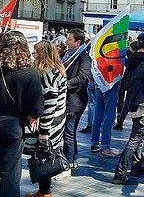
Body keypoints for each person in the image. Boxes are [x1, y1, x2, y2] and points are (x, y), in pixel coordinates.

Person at [0, 31, 44, 197]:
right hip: (13, 124)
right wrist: (30, 115)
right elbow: (36, 108)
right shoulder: (30, 72)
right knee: (10, 174)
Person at [112, 32, 144, 185]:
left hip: (132, 101)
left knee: (139, 137)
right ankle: (120, 172)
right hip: (142, 102)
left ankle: (136, 166)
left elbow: (125, 81)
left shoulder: (132, 59)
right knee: (136, 137)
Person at [24, 40, 67, 197]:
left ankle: (45, 193)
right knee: (46, 155)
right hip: (57, 121)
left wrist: (44, 131)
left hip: (49, 124)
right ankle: (44, 191)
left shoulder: (46, 73)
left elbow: (49, 104)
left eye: (36, 52)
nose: (34, 55)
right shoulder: (57, 70)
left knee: (44, 156)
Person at [57, 28, 90, 180]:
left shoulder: (84, 58)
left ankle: (67, 165)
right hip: (64, 99)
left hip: (75, 101)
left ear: (77, 42)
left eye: (69, 39)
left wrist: (65, 84)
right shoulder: (65, 54)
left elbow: (83, 77)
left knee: (68, 133)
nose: (66, 41)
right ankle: (74, 158)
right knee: (69, 132)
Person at [90, 78, 121, 157]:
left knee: (98, 115)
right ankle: (105, 147)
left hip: (99, 84)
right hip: (110, 85)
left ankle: (94, 143)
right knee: (108, 117)